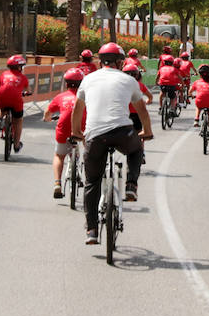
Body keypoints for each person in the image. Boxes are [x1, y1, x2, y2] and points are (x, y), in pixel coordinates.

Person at [71, 43, 152, 245]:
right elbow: (142, 111)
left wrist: (76, 132)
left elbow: (77, 110)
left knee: (92, 183)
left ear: (100, 62)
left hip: (94, 136)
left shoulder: (87, 79)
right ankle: (131, 184)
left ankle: (91, 230)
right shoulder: (129, 80)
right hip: (122, 132)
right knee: (136, 149)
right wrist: (147, 132)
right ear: (120, 62)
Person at [43, 67, 86, 199]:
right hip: (82, 128)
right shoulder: (87, 96)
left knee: (59, 156)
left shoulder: (61, 97)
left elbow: (48, 112)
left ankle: (57, 183)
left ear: (66, 83)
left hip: (64, 129)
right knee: (90, 151)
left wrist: (47, 118)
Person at [0, 55, 30, 152]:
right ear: (19, 67)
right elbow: (28, 90)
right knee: (18, 121)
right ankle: (17, 145)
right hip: (16, 100)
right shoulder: (23, 77)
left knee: (0, 107)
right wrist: (27, 93)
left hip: (2, 97)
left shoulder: (4, 74)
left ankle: (0, 118)